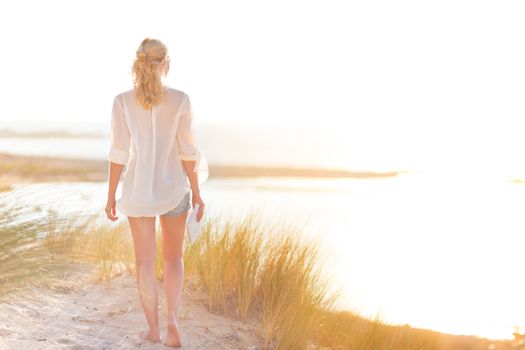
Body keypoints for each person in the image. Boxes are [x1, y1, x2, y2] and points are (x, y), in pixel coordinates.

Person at [104, 37, 208, 348]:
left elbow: (119, 153)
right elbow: (189, 152)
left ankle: (153, 330)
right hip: (175, 190)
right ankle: (173, 322)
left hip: (137, 193)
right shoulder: (180, 100)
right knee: (174, 259)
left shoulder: (122, 101)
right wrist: (198, 192)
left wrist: (110, 196)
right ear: (166, 65)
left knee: (144, 264)